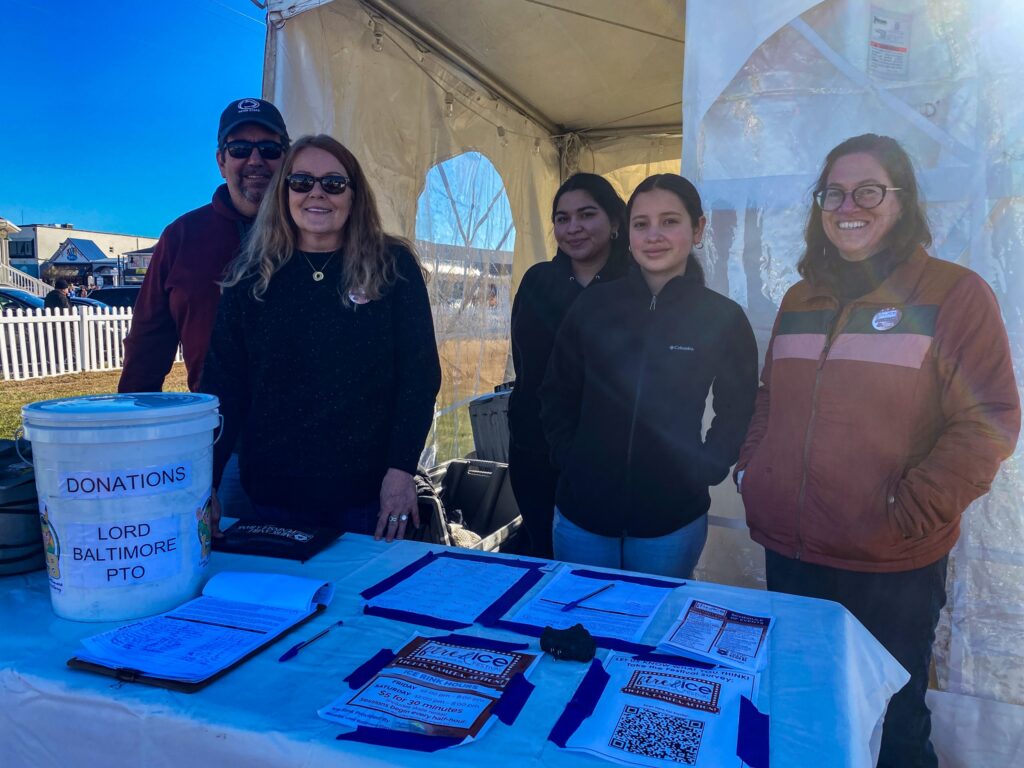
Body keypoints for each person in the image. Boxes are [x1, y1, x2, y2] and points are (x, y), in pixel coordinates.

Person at [735, 134, 1020, 768]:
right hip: (793, 549)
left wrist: (907, 511)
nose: (847, 205)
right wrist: (757, 469)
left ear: (902, 201)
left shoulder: (953, 294)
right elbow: (767, 396)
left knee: (891, 724)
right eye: (833, 192)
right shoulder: (798, 299)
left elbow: (989, 420)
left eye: (868, 190)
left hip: (891, 564)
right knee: (804, 712)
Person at [200, 134, 441, 543]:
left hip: (370, 497)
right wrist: (206, 481)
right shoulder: (250, 277)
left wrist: (401, 471)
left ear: (353, 194)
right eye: (301, 182)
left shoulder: (392, 267)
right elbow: (224, 387)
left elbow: (419, 377)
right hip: (274, 494)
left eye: (333, 183)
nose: (317, 193)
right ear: (284, 192)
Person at [540, 174, 758, 577]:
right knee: (581, 628)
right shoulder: (594, 306)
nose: (654, 235)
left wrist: (705, 468)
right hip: (582, 517)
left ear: (697, 229)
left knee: (653, 629)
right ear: (628, 232)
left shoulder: (722, 317)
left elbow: (739, 405)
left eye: (669, 221)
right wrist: (572, 461)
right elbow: (557, 393)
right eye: (642, 224)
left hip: (670, 522)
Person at [118, 97, 289, 522]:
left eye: (269, 149)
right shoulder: (182, 237)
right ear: (220, 160)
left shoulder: (312, 230)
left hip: (305, 437)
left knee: (309, 567)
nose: (255, 160)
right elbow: (148, 344)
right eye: (240, 148)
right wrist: (130, 437)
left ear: (285, 158)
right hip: (217, 437)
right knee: (224, 558)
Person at [508, 173, 631, 559]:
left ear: (614, 222)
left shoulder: (637, 285)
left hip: (615, 458)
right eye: (562, 218)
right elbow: (527, 367)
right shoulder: (538, 282)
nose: (573, 227)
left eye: (586, 214)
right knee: (546, 560)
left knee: (612, 577)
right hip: (538, 452)